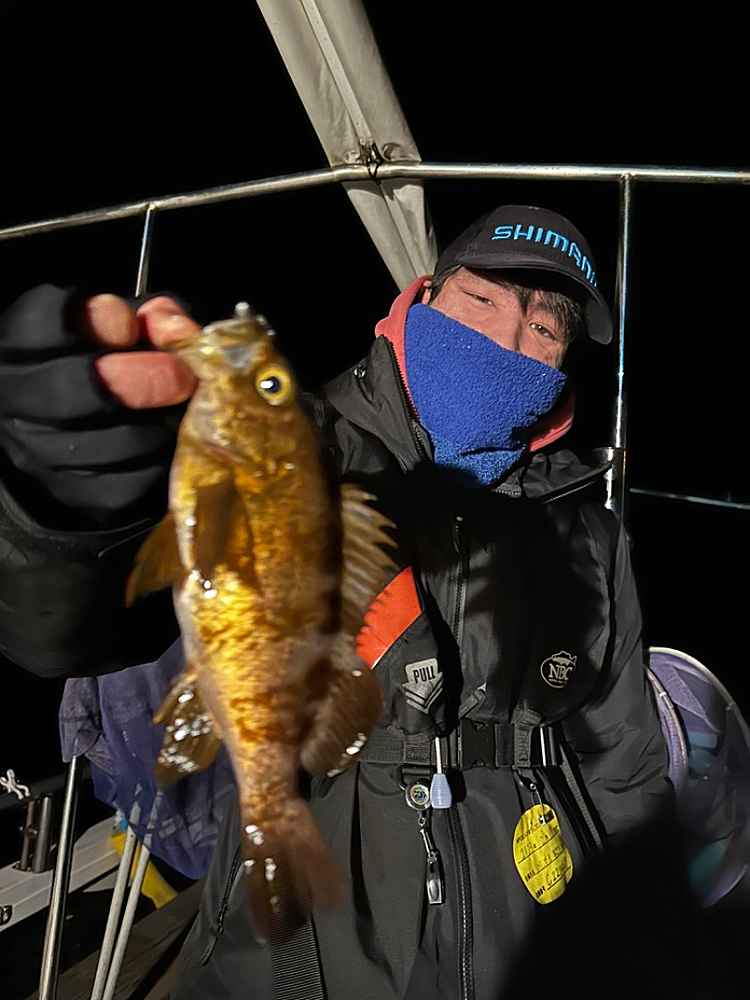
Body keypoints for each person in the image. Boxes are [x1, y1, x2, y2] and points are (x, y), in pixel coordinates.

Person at [0, 205, 703, 999]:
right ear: (422, 298)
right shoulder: (305, 445)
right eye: (481, 301)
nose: (505, 341)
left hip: (536, 942)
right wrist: (61, 499)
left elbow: (626, 762)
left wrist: (649, 933)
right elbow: (68, 626)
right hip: (315, 941)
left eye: (544, 328)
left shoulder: (589, 532)